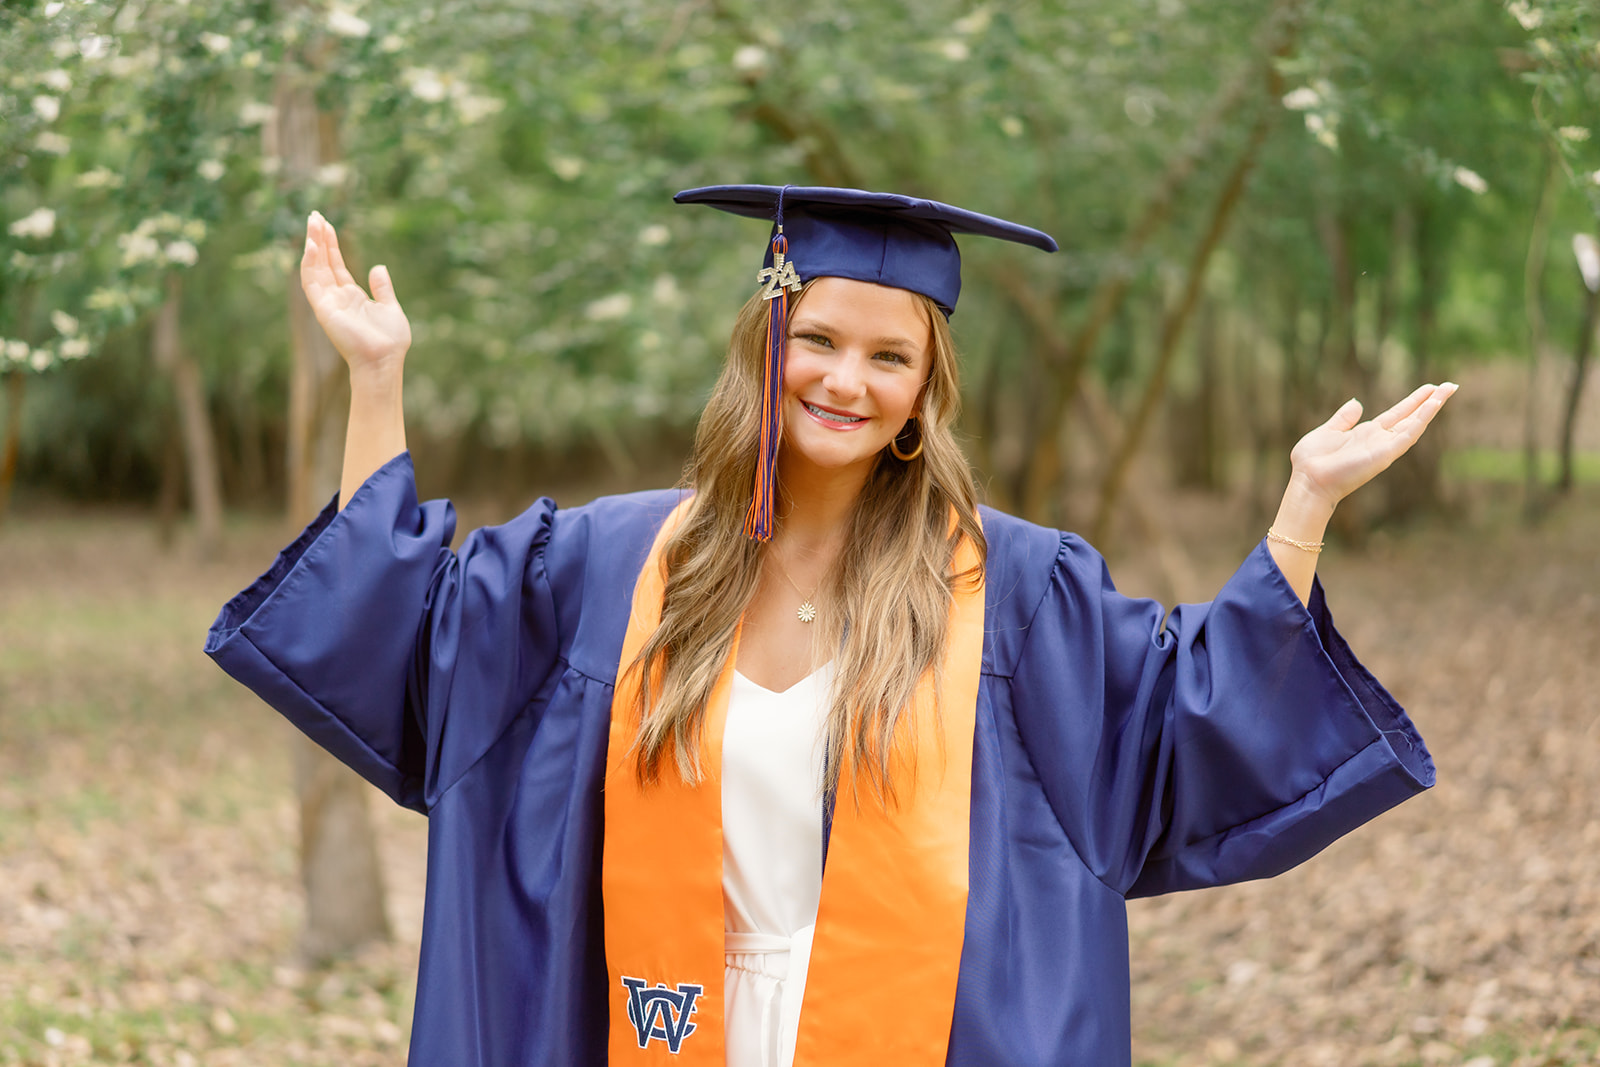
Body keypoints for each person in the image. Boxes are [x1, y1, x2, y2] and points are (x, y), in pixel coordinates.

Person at [206, 185, 1456, 1067]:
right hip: (659, 1025)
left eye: (887, 357)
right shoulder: (608, 564)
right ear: (769, 343)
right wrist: (377, 379)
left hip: (903, 1027)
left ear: (924, 390)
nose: (844, 381)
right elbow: (414, 627)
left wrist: (1303, 506)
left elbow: (1186, 720)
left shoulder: (1015, 591)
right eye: (818, 340)